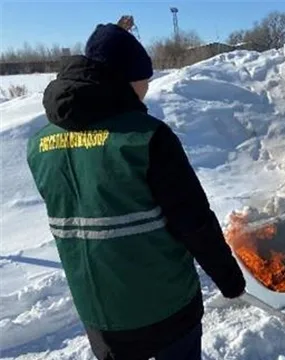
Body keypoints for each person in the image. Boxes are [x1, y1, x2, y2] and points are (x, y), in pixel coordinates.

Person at [26, 21, 246, 360]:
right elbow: (194, 221)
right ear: (126, 79)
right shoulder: (145, 137)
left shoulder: (40, 144)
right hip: (166, 308)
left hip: (99, 315)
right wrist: (230, 280)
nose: (147, 86)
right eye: (145, 77)